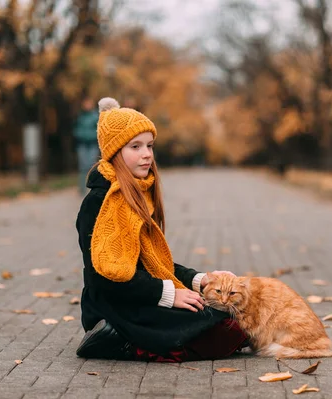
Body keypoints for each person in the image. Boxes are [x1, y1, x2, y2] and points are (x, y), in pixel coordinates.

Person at [75, 97, 247, 362]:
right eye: (135, 146)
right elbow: (104, 279)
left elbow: (154, 263)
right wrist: (168, 295)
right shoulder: (99, 203)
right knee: (222, 332)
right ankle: (113, 340)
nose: (147, 154)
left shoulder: (138, 194)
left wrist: (200, 280)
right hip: (113, 305)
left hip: (139, 295)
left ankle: (137, 338)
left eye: (149, 145)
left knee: (234, 320)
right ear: (114, 151)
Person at [73, 97, 100, 195]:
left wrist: (90, 136)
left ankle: (92, 188)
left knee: (91, 166)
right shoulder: (81, 117)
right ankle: (82, 188)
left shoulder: (95, 116)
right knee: (82, 166)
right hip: (82, 144)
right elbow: (76, 129)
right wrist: (80, 135)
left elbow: (98, 130)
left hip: (92, 144)